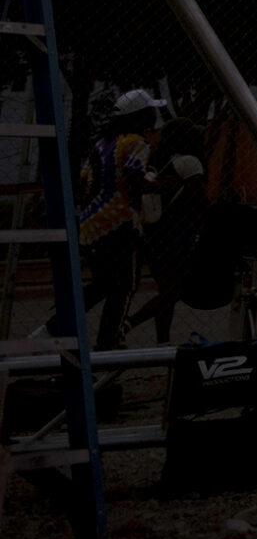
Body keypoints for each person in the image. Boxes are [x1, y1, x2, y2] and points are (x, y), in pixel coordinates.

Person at [69, 90, 162, 348]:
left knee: (104, 283)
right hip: (117, 223)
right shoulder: (137, 142)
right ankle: (108, 340)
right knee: (124, 285)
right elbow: (133, 179)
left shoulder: (102, 144)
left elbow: (85, 180)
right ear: (144, 116)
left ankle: (60, 322)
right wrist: (156, 186)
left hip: (90, 224)